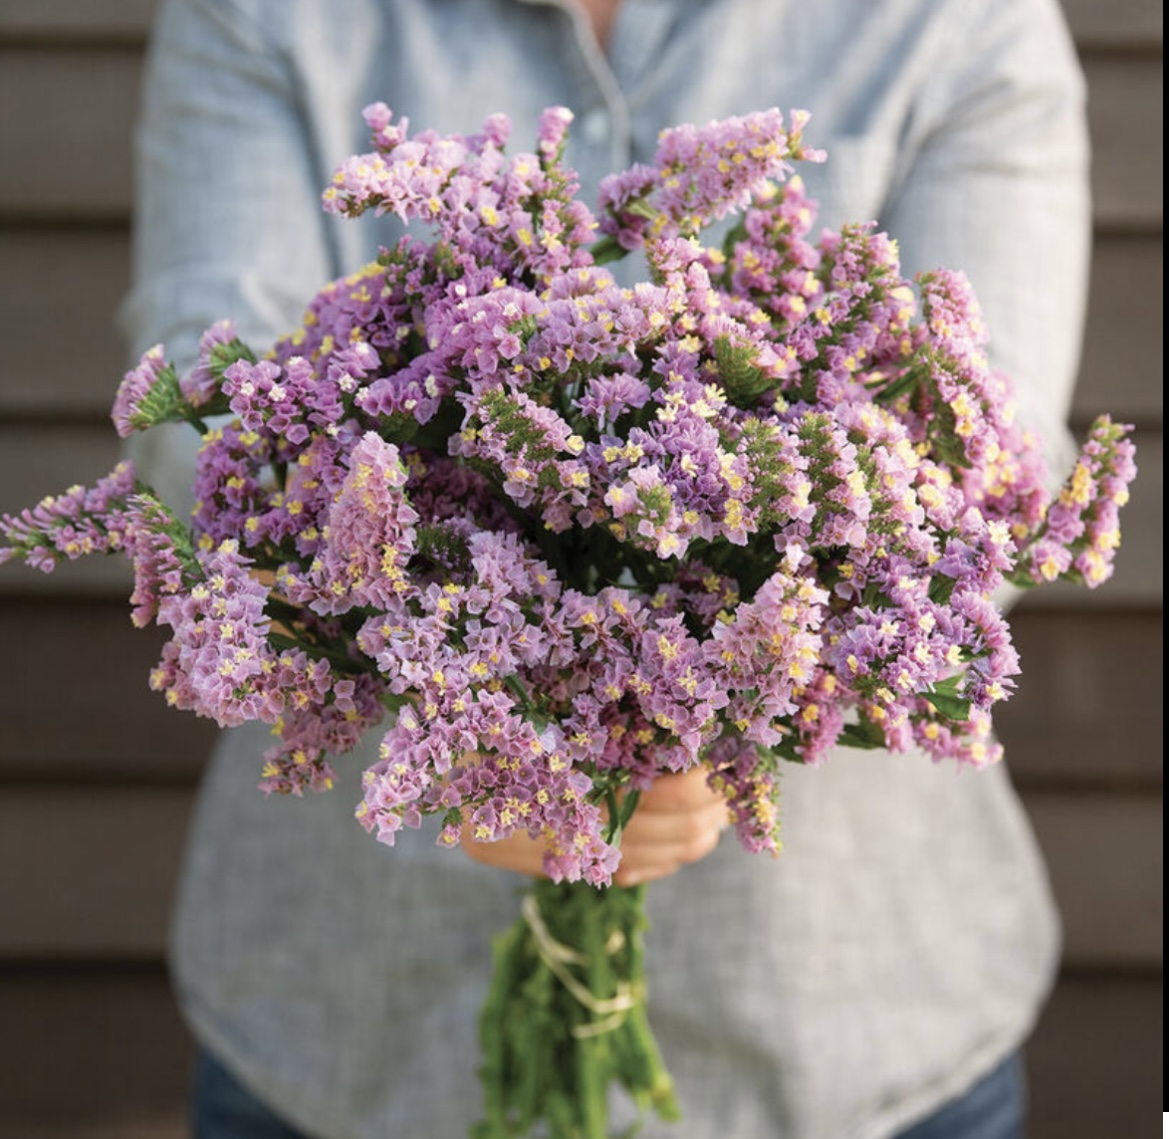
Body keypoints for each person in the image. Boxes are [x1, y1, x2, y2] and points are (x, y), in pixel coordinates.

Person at [122, 1, 1090, 1136]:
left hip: (850, 1035)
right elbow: (199, 405)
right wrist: (463, 704)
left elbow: (988, 464)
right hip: (348, 1022)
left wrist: (704, 695)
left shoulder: (957, 20)